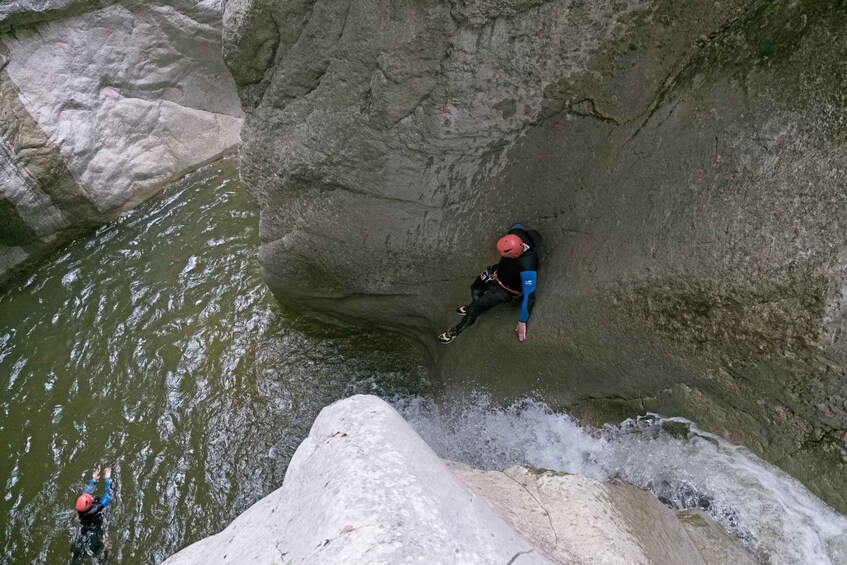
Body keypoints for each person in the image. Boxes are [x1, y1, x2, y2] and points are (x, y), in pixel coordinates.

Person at [438, 223, 540, 343]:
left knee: (473, 311)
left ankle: (456, 330)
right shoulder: (516, 234)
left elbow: (529, 296)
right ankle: (474, 305)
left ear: (515, 254)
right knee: (475, 289)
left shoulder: (528, 265)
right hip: (497, 272)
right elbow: (517, 226)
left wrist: (522, 321)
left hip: (505, 289)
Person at [72, 467, 112, 564]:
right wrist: (107, 478)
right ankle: (105, 551)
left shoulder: (81, 511)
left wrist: (94, 479)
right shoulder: (99, 508)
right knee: (107, 545)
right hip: (96, 531)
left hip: (83, 533)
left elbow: (86, 493)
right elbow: (109, 494)